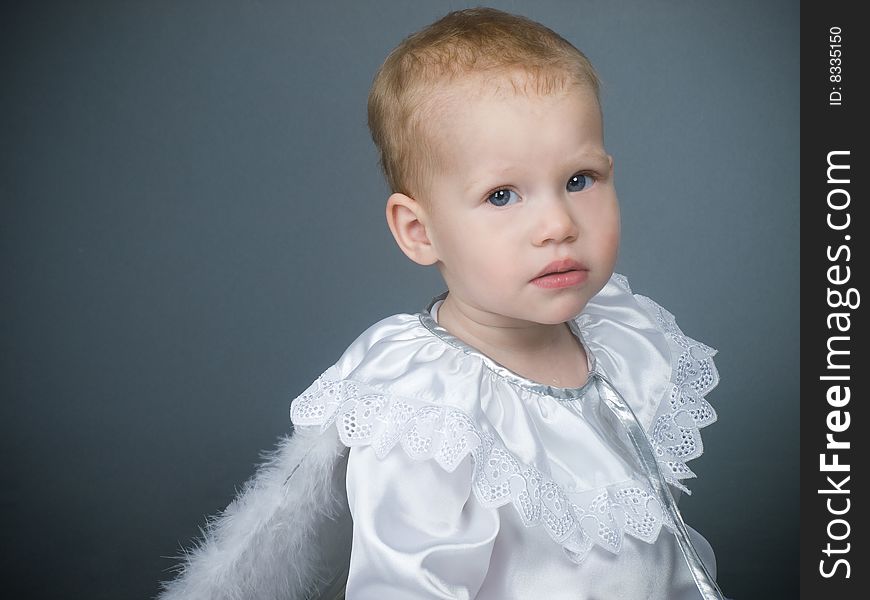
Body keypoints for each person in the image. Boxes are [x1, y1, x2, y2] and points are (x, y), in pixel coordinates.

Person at [159, 7, 729, 600]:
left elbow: (655, 553)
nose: (558, 224)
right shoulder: (430, 413)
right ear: (419, 231)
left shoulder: (616, 341)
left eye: (580, 179)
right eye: (502, 195)